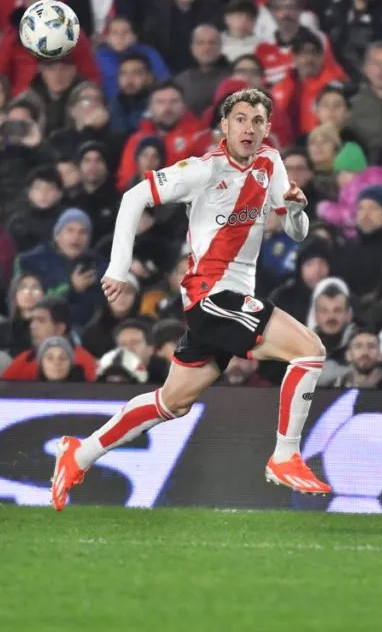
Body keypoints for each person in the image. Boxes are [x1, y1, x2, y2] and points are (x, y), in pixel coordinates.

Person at [51, 88, 331, 510]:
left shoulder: (271, 163)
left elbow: (297, 232)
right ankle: (285, 455)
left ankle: (80, 453)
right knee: (310, 352)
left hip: (231, 301)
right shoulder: (202, 171)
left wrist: (294, 210)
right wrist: (118, 267)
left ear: (267, 128)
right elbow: (133, 198)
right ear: (224, 126)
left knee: (173, 402)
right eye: (240, 119)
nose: (248, 128)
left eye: (257, 121)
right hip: (211, 296)